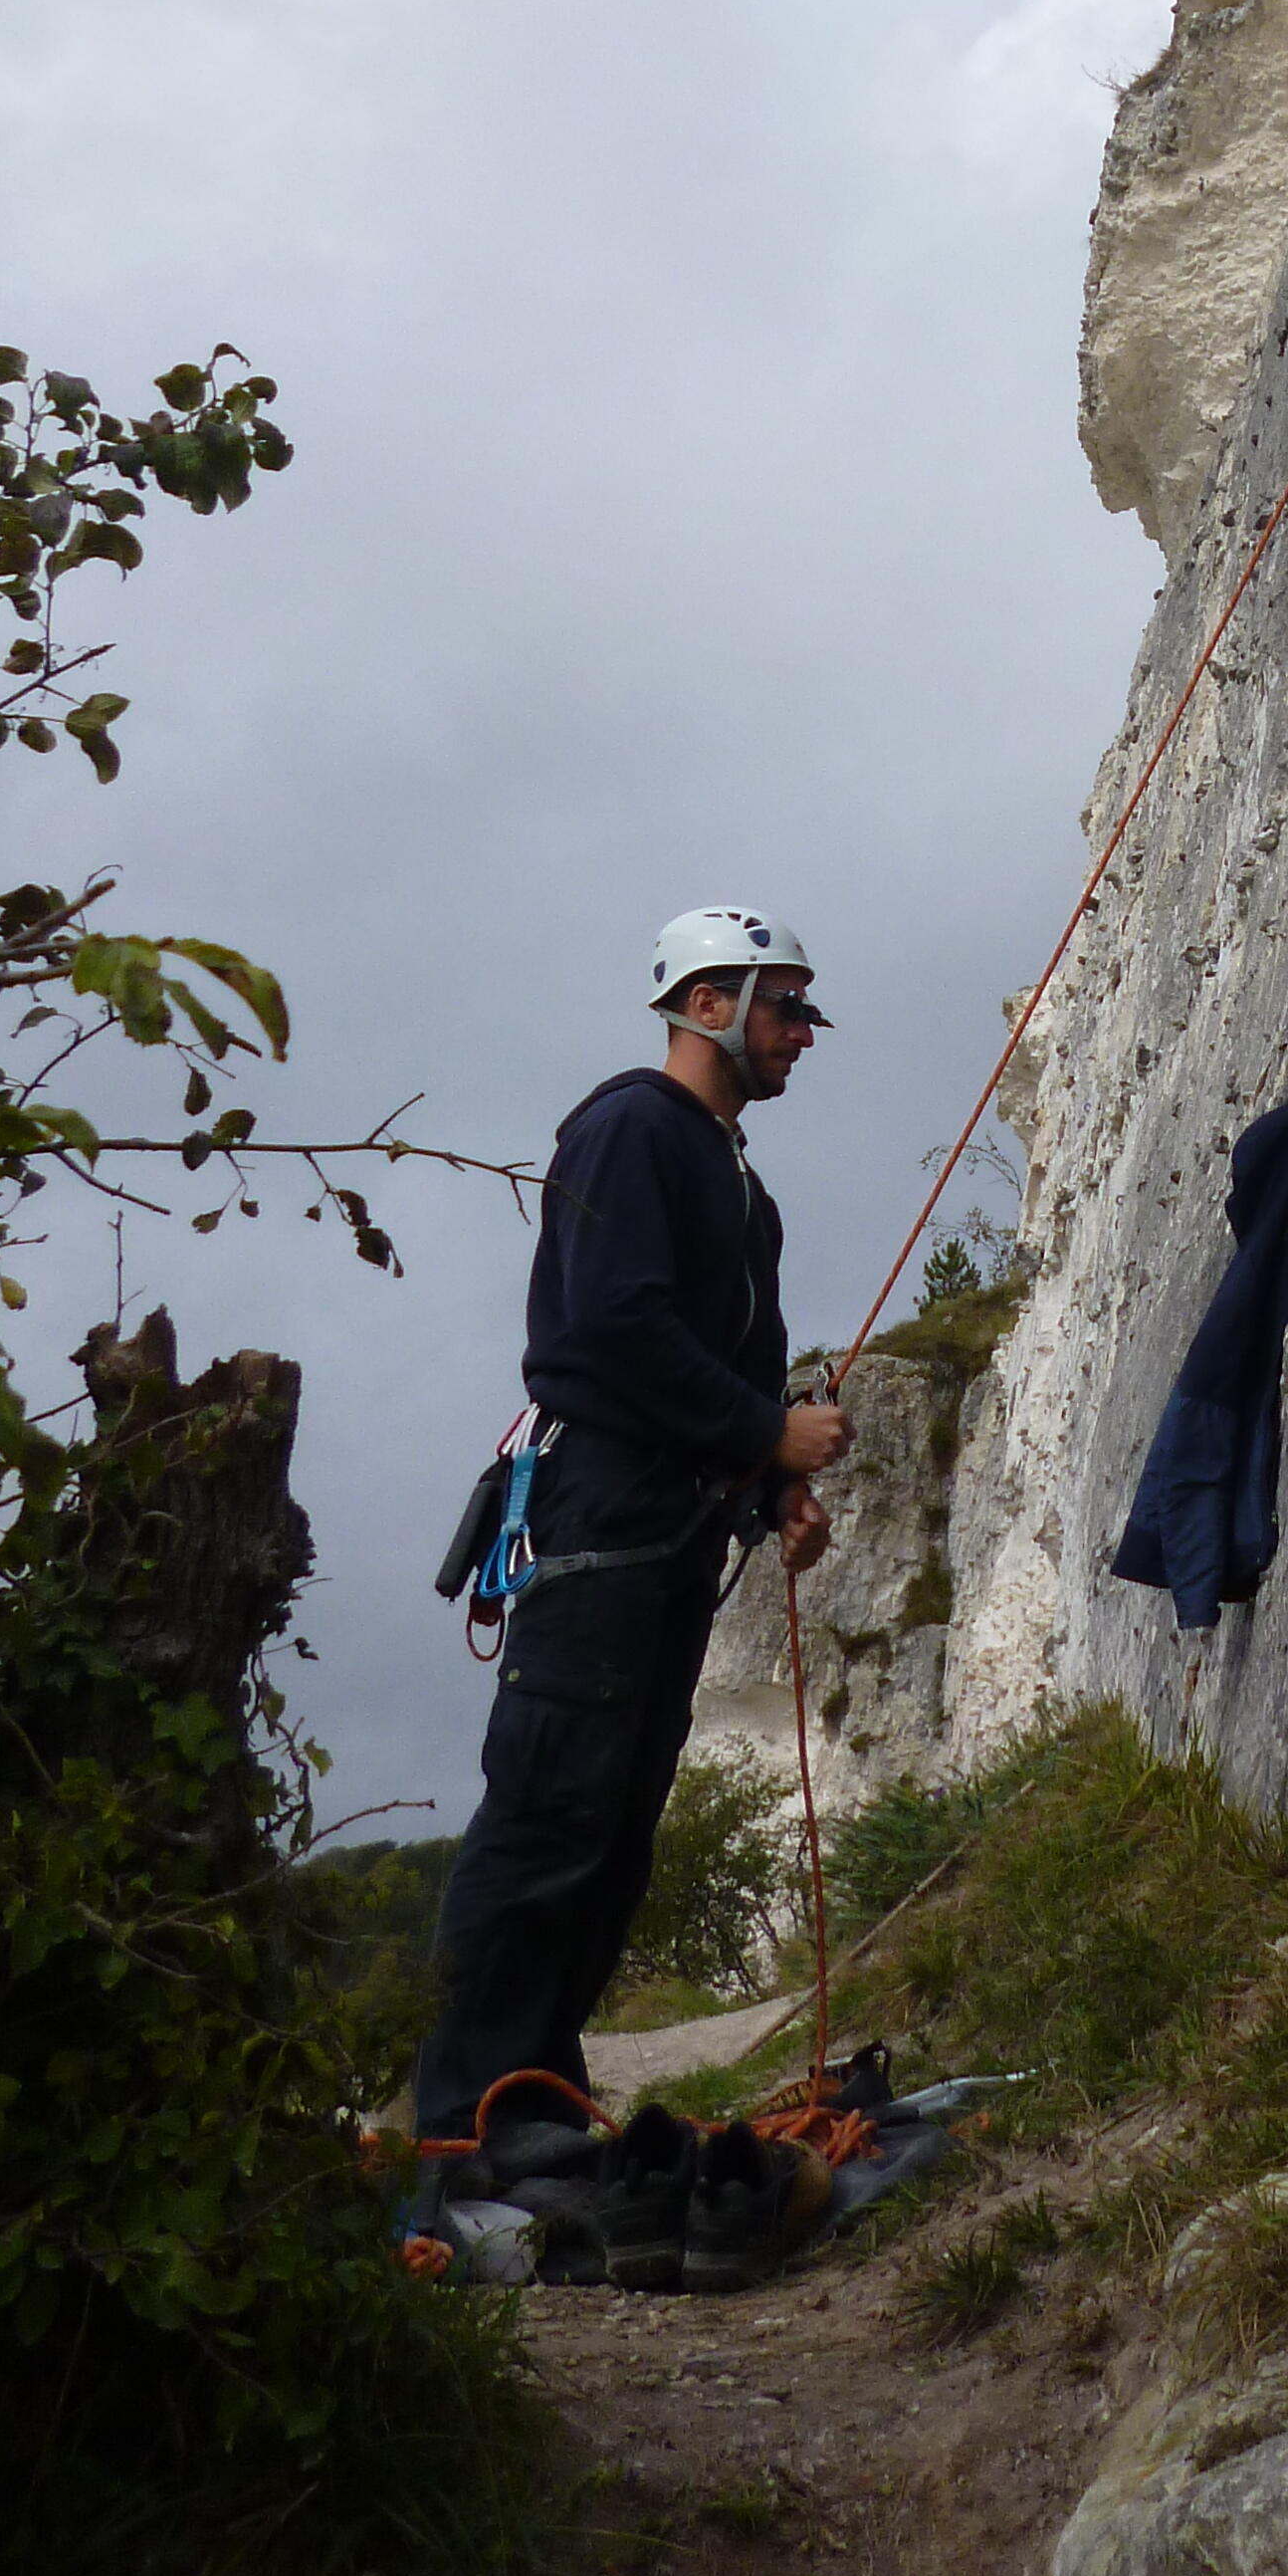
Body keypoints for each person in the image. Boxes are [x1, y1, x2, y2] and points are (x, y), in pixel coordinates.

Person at [412, 907, 853, 2148]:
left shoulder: (741, 1188)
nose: (803, 1034)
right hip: (600, 1514)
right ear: (706, 1004)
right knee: (550, 1814)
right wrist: (765, 1433)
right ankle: (461, 2128)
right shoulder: (628, 1129)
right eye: (786, 1007)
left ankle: (536, 2103)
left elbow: (734, 1367)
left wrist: (772, 1491)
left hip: (667, 1531)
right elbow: (609, 1330)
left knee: (610, 1837)